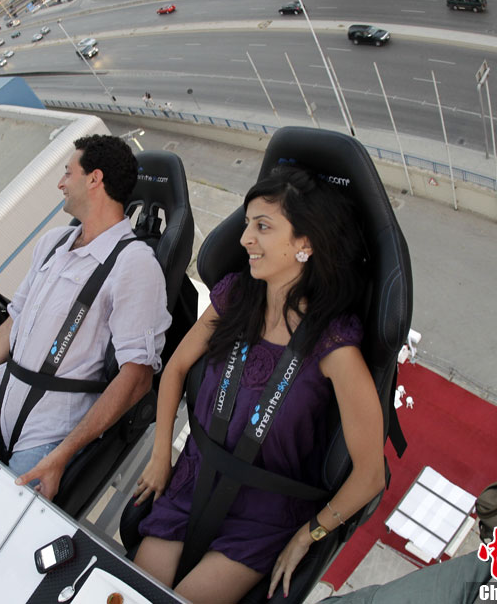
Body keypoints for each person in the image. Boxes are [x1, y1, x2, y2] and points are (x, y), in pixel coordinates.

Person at [132, 168, 386, 603]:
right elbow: (175, 369)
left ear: (305, 243)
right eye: (247, 223)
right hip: (194, 478)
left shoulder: (333, 344)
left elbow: (370, 475)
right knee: (132, 592)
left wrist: (310, 534)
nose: (245, 238)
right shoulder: (234, 298)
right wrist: (160, 457)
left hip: (265, 511)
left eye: (263, 226)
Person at [0, 134, 171, 500]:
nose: (60, 183)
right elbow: (14, 322)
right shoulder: (52, 243)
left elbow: (137, 377)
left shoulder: (134, 264)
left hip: (48, 438)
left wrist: (63, 455)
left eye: (68, 172)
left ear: (94, 179)